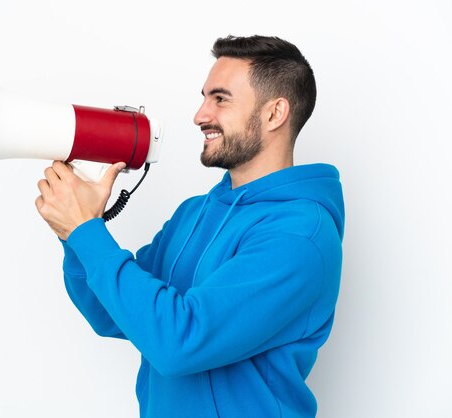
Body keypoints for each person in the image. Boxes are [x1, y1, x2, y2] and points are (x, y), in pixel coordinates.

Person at [35, 35, 344, 418]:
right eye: (203, 98)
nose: (200, 115)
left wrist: (87, 231)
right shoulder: (194, 213)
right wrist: (75, 232)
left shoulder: (301, 236)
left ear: (274, 113)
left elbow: (179, 343)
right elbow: (109, 313)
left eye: (220, 98)